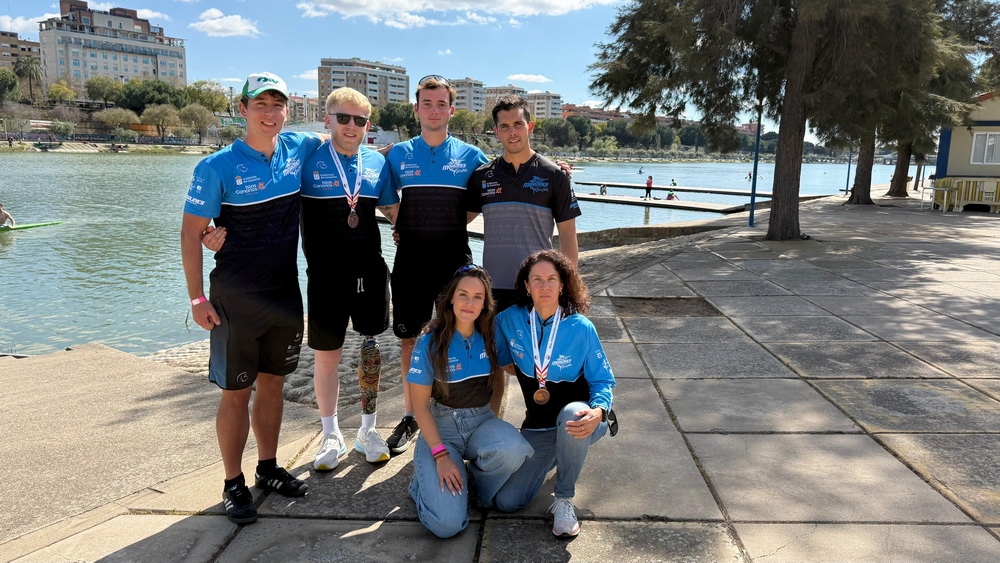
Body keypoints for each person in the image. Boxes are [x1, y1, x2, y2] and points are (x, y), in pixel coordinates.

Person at [180, 72, 324, 525]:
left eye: (277, 104)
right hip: (234, 298)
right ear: (241, 109)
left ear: (287, 110)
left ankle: (267, 467)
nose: (269, 111)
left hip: (283, 294)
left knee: (274, 385)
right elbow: (189, 235)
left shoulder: (298, 148)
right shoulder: (215, 166)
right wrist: (196, 298)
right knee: (235, 393)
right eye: (259, 103)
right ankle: (232, 482)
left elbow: (345, 134)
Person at [383, 76, 489, 455]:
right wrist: (399, 220)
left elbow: (497, 186)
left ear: (451, 110)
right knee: (410, 339)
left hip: (453, 262)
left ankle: (454, 408)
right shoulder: (396, 154)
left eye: (440, 103)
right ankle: (412, 414)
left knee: (457, 334)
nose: (433, 109)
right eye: (426, 103)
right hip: (410, 261)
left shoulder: (472, 156)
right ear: (416, 109)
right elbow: (371, 185)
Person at [299, 87, 400, 468]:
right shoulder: (307, 157)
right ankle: (330, 435)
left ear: (367, 125)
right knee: (327, 357)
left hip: (370, 273)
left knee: (371, 351)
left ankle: (367, 430)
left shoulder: (376, 162)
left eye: (359, 120)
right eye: (343, 117)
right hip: (324, 275)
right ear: (328, 120)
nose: (351, 126)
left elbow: (392, 210)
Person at [493, 250, 616, 538]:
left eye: (552, 279)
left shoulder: (582, 327)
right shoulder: (507, 321)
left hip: (582, 420)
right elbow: (503, 361)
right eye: (537, 279)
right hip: (538, 426)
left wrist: (599, 411)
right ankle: (563, 451)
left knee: (572, 414)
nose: (544, 286)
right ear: (526, 286)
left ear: (563, 285)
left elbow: (603, 380)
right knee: (507, 502)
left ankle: (564, 498)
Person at [407, 264, 533, 538]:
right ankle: (422, 485)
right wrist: (440, 455)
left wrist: (492, 417)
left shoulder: (490, 335)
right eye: (463, 294)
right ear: (451, 297)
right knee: (446, 525)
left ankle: (474, 488)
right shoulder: (429, 341)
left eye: (478, 297)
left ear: (485, 303)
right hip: (442, 429)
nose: (469, 303)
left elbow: (499, 379)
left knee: (513, 448)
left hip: (481, 420)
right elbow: (419, 406)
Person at [466, 95, 580, 312]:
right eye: (505, 126)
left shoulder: (555, 176)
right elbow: (456, 222)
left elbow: (567, 234)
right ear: (496, 131)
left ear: (530, 127)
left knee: (538, 347)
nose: (513, 132)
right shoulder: (481, 177)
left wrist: (567, 288)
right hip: (494, 288)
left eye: (518, 124)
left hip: (539, 287)